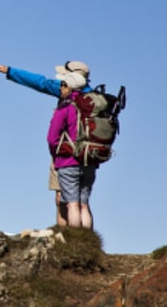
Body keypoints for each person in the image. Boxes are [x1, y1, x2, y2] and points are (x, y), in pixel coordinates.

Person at [0, 60, 93, 226]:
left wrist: (10, 71)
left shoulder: (66, 96)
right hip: (90, 156)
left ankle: (69, 239)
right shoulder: (94, 98)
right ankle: (88, 242)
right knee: (83, 204)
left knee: (66, 201)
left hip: (66, 153)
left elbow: (40, 82)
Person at [48, 70, 97, 228]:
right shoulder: (92, 106)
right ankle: (89, 241)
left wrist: (56, 157)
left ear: (68, 86)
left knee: (72, 205)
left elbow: (52, 138)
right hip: (89, 160)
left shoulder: (65, 107)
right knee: (84, 205)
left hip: (68, 161)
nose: (61, 87)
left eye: (63, 84)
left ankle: (76, 242)